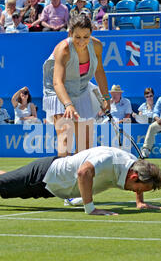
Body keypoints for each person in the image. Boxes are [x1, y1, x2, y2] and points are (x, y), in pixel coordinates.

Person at [0, 146, 161, 217]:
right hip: (47, 177)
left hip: (53, 180)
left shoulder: (132, 163)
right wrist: (90, 208)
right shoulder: (110, 159)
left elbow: (137, 179)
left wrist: (139, 202)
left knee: (1, 178)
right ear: (133, 176)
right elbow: (84, 173)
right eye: (140, 190)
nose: (139, 192)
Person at [42, 14, 110, 156]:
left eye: (86, 37)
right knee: (65, 138)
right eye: (77, 36)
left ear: (91, 34)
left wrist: (106, 98)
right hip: (58, 91)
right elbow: (57, 82)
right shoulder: (63, 49)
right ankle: (63, 175)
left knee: (85, 143)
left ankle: (81, 176)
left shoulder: (96, 46)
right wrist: (68, 104)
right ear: (70, 33)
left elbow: (99, 71)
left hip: (82, 88)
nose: (81, 41)